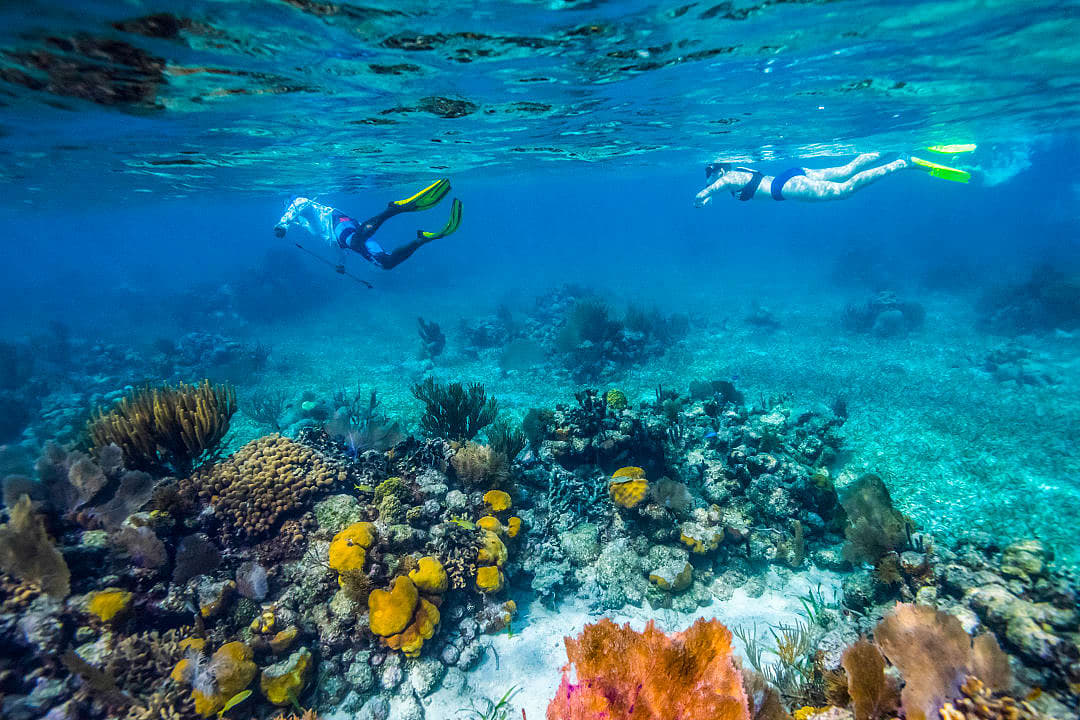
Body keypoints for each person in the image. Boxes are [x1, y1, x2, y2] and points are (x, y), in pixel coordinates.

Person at [274, 179, 462, 273]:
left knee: (354, 242)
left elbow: (297, 205)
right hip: (344, 236)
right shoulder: (302, 220)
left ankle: (393, 209)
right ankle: (422, 239)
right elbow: (334, 244)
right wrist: (341, 264)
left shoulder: (299, 202)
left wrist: (283, 225)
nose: (287, 209)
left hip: (338, 223)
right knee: (386, 263)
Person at [694, 151, 969, 207]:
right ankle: (886, 148)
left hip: (786, 187)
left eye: (709, 173)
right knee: (846, 169)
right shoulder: (736, 171)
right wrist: (708, 195)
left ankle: (901, 163)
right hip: (792, 175)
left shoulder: (727, 177)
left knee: (845, 190)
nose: (708, 178)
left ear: (716, 170)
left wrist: (701, 198)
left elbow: (711, 189)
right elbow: (720, 186)